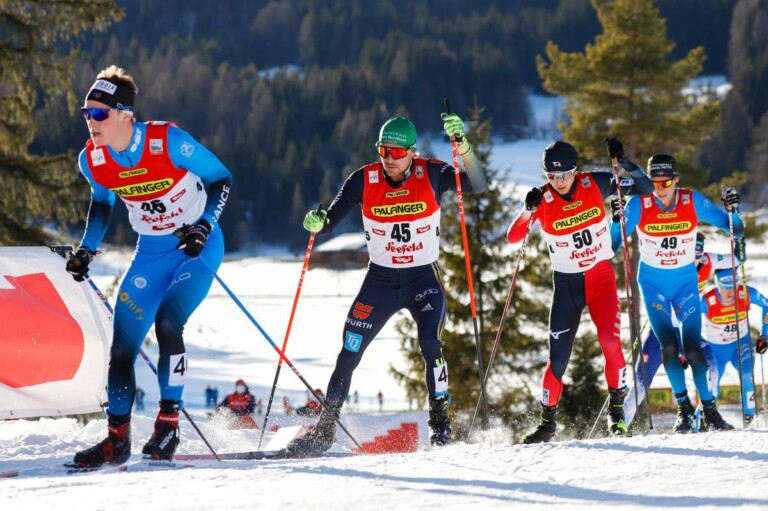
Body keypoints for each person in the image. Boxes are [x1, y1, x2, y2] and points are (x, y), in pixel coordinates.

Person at [280, 113, 487, 457]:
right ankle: (325, 430)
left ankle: (440, 426)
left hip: (422, 279)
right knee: (349, 351)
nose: (388, 159)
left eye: (395, 152)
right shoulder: (363, 179)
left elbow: (476, 184)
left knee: (430, 345)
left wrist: (462, 145)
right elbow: (329, 221)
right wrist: (315, 222)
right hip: (380, 280)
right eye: (382, 150)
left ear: (411, 151)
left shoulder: (432, 173)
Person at [66, 65, 232, 467]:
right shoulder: (94, 160)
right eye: (86, 113)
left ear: (125, 115)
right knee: (121, 348)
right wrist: (87, 250)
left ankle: (168, 425)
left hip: (196, 248)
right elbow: (102, 204)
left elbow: (221, 179)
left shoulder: (167, 141)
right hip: (151, 253)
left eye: (100, 113)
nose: (91, 121)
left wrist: (204, 227)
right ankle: (116, 440)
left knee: (169, 324)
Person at [507, 138, 653, 444]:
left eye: (563, 174)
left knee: (610, 342)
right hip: (567, 285)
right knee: (557, 359)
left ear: (576, 170)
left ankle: (616, 410)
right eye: (551, 175)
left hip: (601, 278)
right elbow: (513, 236)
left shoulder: (595, 183)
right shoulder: (543, 199)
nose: (558, 181)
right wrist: (526, 210)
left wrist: (624, 161)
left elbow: (645, 189)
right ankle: (547, 424)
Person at [611, 150, 744, 433]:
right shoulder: (639, 204)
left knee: (694, 349)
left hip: (685, 283)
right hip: (653, 284)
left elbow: (736, 230)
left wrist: (734, 211)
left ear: (676, 180)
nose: (659, 190)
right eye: (654, 183)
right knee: (669, 347)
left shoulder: (692, 200)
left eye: (666, 183)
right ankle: (683, 410)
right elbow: (614, 244)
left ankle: (709, 411)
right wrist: (616, 219)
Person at [622, 232, 745, 427]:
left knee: (711, 366)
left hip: (685, 330)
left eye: (698, 254)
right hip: (660, 332)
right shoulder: (668, 262)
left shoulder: (708, 260)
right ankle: (621, 424)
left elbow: (737, 258)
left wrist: (738, 232)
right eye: (691, 253)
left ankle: (707, 417)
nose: (695, 259)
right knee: (640, 383)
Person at [701, 268, 768, 426]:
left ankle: (750, 419)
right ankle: (705, 419)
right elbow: (686, 321)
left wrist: (764, 335)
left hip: (741, 344)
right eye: (725, 287)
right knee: (713, 383)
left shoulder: (745, 293)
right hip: (717, 350)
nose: (730, 291)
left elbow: (767, 306)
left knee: (747, 373)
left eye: (733, 285)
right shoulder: (707, 300)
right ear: (718, 285)